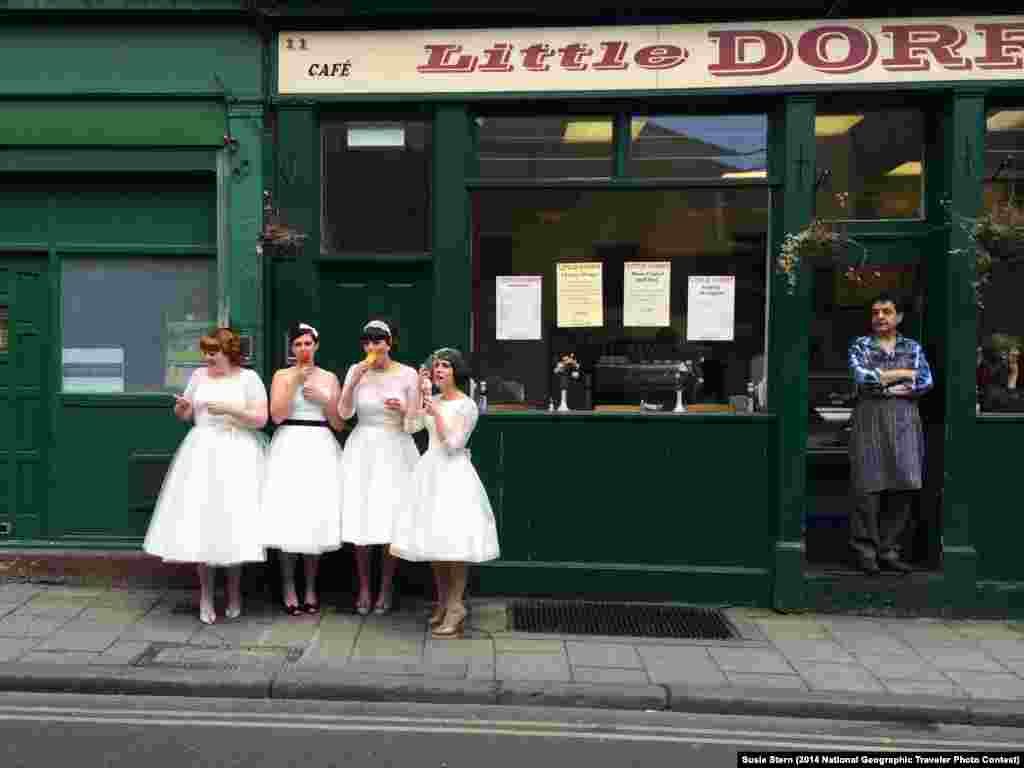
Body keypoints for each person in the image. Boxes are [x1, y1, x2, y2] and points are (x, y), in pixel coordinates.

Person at [143, 327, 269, 625]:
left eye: (213, 352)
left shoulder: (248, 378)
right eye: (206, 352)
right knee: (202, 519)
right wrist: (182, 408)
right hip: (201, 451)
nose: (207, 357)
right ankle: (206, 595)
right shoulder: (199, 376)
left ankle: (235, 593)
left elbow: (262, 418)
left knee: (234, 520)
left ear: (228, 353)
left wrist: (229, 409)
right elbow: (186, 415)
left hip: (237, 451)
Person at [390, 348, 500, 639]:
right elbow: (412, 426)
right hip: (430, 471)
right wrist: (416, 397)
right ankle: (441, 602)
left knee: (455, 543)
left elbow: (454, 443)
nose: (438, 371)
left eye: (445, 367)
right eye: (436, 366)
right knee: (435, 541)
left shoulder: (466, 406)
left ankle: (456, 606)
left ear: (456, 372)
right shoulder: (432, 399)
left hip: (454, 473)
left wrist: (436, 412)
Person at [337, 319, 422, 615]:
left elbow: (415, 424)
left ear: (389, 343)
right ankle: (363, 588)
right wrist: (353, 381)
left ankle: (385, 588)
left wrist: (404, 410)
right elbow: (344, 412)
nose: (373, 348)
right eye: (368, 343)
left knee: (390, 518)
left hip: (395, 446)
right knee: (362, 516)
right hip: (363, 447)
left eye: (378, 342)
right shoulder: (355, 370)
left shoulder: (408, 374)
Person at [262, 322, 346, 616]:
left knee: (314, 515)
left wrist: (326, 400)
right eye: (297, 345)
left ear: (316, 346)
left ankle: (310, 588)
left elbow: (338, 423)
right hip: (290, 444)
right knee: (290, 515)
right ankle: (288, 588)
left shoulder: (330, 378)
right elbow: (277, 415)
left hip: (320, 444)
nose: (302, 349)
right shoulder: (282, 375)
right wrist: (294, 382)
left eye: (307, 344)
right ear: (292, 349)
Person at [847, 293, 933, 575]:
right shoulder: (860, 345)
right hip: (869, 417)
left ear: (899, 317)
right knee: (867, 486)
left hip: (905, 418)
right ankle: (866, 552)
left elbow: (924, 381)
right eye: (875, 312)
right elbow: (863, 379)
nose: (880, 317)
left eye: (886, 311)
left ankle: (890, 550)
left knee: (904, 483)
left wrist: (885, 378)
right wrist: (901, 375)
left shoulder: (913, 346)